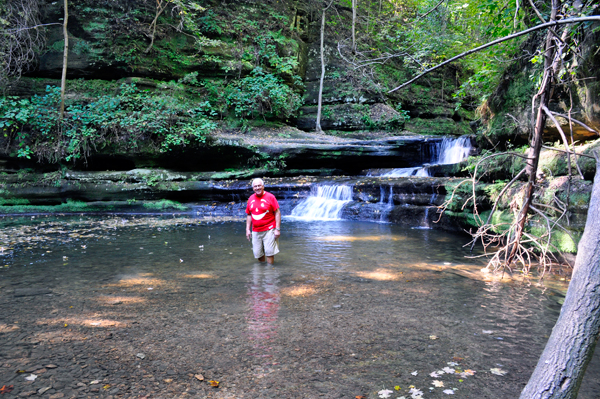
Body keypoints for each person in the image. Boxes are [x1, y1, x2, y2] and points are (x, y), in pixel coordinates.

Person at [246, 178, 281, 264]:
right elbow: (249, 215)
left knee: (269, 253)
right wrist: (247, 229)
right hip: (256, 231)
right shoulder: (250, 199)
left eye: (259, 186)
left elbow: (277, 213)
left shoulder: (270, 197)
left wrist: (277, 229)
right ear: (253, 188)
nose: (257, 188)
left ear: (263, 186)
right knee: (258, 254)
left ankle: (270, 272)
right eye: (255, 186)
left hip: (269, 229)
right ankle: (261, 273)